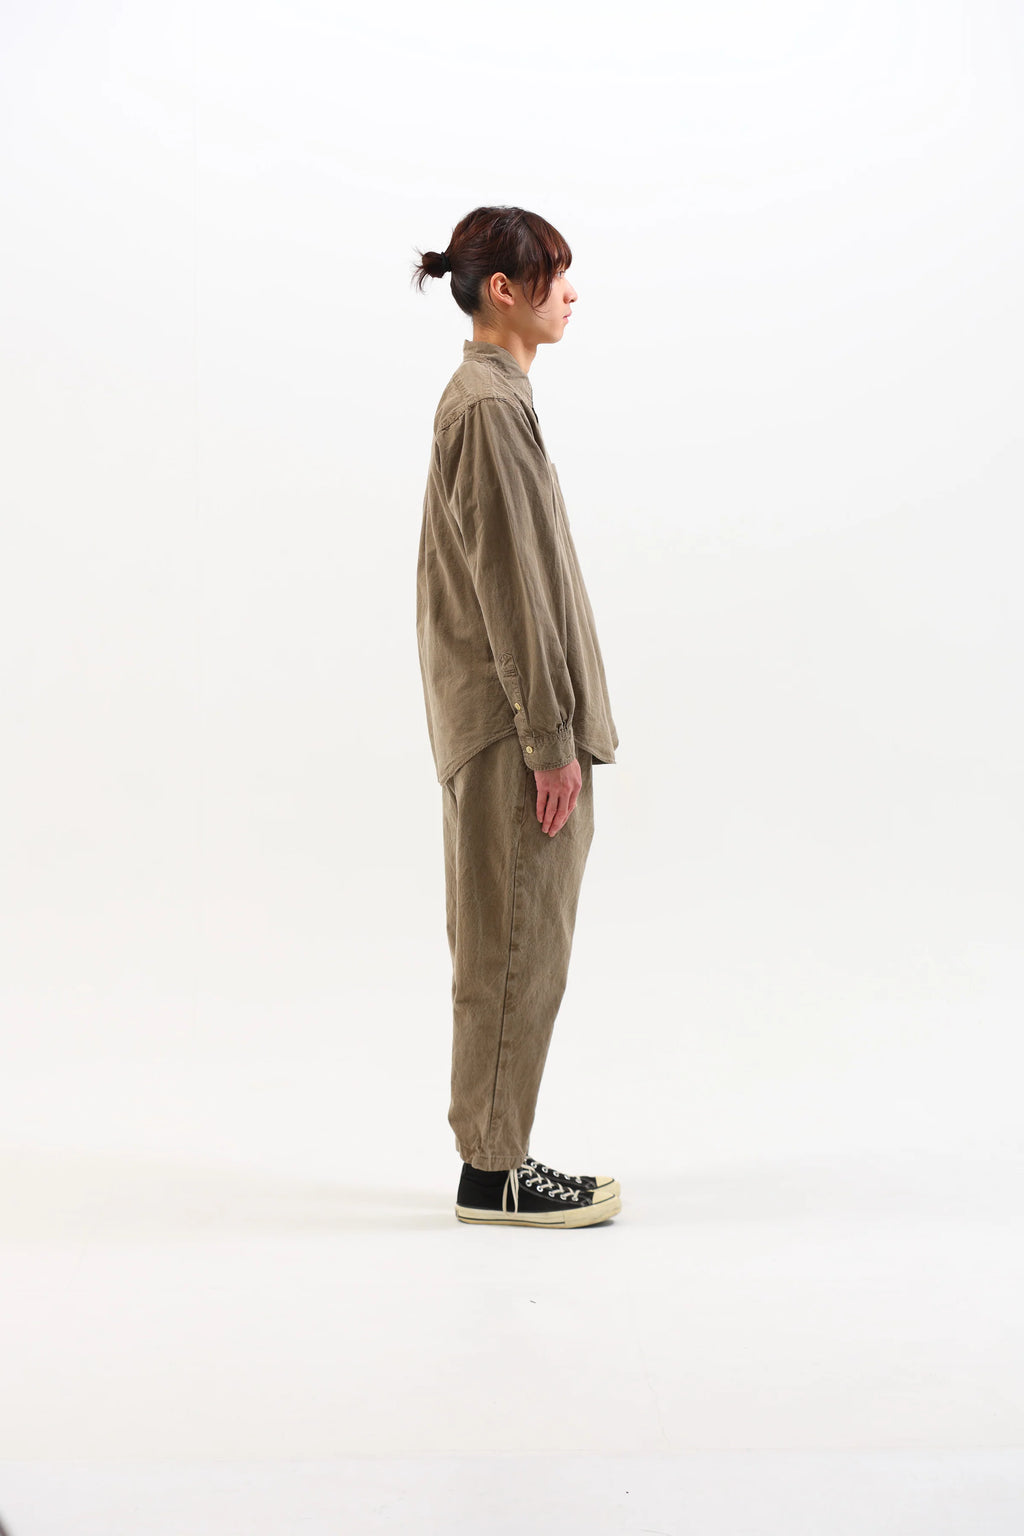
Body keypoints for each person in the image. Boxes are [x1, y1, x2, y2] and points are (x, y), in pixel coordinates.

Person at [411, 205, 622, 1229]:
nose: (571, 292)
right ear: (504, 289)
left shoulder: (494, 399)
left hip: (506, 724)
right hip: (512, 731)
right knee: (510, 945)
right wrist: (548, 739)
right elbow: (511, 587)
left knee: (513, 941)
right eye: (555, 273)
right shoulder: (489, 407)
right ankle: (493, 1172)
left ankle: (496, 1157)